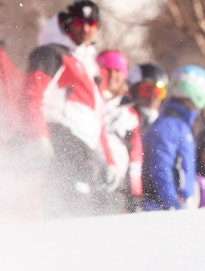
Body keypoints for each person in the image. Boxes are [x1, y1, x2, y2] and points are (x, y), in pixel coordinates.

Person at [21, 0, 119, 216]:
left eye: (91, 23)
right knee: (70, 204)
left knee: (97, 208)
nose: (85, 28)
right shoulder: (51, 53)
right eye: (79, 21)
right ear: (67, 22)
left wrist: (109, 161)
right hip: (60, 136)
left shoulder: (89, 64)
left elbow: (97, 120)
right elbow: (30, 96)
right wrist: (38, 136)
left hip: (85, 147)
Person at [140, 64, 205, 211]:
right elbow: (160, 166)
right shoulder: (170, 126)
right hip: (161, 209)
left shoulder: (179, 125)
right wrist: (171, 202)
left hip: (175, 206)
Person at [97, 49, 143, 212]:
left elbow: (135, 154)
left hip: (117, 186)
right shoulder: (90, 99)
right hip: (90, 174)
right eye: (107, 70)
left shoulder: (129, 113)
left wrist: (135, 190)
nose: (112, 75)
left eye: (118, 71)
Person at [127, 62, 169, 135]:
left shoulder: (165, 125)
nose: (152, 97)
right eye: (147, 90)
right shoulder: (124, 120)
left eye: (159, 92)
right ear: (133, 91)